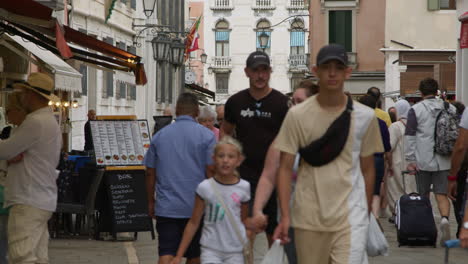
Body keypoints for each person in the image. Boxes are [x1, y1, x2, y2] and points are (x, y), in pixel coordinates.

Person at [273, 44, 383, 263]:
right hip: (308, 217)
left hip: (350, 218)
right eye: (326, 67)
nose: (332, 73)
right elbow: (284, 168)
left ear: (347, 72)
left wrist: (365, 209)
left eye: (338, 67)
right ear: (316, 71)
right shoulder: (297, 115)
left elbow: (369, 169)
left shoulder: (366, 117)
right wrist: (285, 216)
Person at [221, 51, 289, 245]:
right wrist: (227, 160)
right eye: (255, 70)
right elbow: (225, 131)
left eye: (264, 70)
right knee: (245, 230)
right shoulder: (235, 102)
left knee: (274, 232)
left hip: (275, 177)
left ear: (270, 72)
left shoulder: (282, 103)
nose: (260, 75)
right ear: (246, 72)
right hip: (244, 177)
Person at [251, 79, 318, 264]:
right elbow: (268, 176)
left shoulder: (327, 135)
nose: (294, 107)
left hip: (323, 220)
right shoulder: (283, 138)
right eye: (292, 102)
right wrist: (257, 209)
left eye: (300, 102)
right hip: (292, 221)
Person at [144, 93, 216, 264]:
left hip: (167, 206)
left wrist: (150, 201)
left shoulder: (160, 136)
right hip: (196, 207)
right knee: (194, 255)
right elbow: (211, 171)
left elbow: (149, 172)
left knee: (166, 252)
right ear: (197, 112)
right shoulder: (207, 136)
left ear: (177, 110)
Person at [1, 73, 62, 264]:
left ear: (31, 95)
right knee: (37, 256)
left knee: (21, 256)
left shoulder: (35, 122)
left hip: (28, 197)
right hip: (40, 197)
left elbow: (6, 150)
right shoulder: (49, 121)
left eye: (25, 93)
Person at [170, 136, 250, 264]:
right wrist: (179, 255)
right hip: (210, 249)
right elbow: (193, 222)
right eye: (221, 156)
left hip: (235, 250)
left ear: (239, 160)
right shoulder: (205, 187)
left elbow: (243, 221)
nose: (225, 160)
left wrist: (255, 223)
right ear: (213, 159)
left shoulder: (244, 187)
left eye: (230, 156)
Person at [405, 77, 455, 246]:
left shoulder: (416, 110)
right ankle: (445, 220)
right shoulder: (450, 108)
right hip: (445, 158)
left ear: (420, 92)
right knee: (441, 194)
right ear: (437, 91)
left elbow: (410, 136)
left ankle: (427, 228)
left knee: (423, 195)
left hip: (422, 159)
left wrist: (410, 159)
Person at [0, 92, 28, 264]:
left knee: (5, 238)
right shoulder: (12, 130)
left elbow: (16, 156)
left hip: (10, 192)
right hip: (8, 190)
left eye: (10, 110)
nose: (7, 114)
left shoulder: (24, 130)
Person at [358, 95, 392, 218]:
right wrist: (390, 164)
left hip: (359, 159)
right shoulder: (382, 124)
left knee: (359, 188)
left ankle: (361, 215)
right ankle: (375, 217)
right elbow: (387, 148)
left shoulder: (355, 123)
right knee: (376, 191)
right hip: (377, 160)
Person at [386, 99, 417, 223]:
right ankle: (411, 211)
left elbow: (389, 146)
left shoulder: (395, 126)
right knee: (410, 186)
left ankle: (396, 212)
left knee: (395, 187)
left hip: (397, 161)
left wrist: (388, 164)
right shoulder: (414, 124)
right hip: (412, 161)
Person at [449, 101, 467, 237]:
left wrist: (452, 176)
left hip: (464, 166)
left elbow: (460, 146)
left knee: (460, 198)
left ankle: (463, 228)